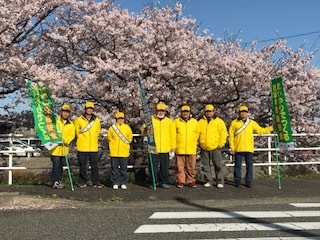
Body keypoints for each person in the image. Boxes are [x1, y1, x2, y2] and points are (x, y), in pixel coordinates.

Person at [229, 105, 273, 188]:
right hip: (238, 148)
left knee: (249, 166)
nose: (243, 114)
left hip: (249, 148)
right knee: (237, 166)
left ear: (247, 113)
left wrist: (271, 128)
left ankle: (248, 181)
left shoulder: (251, 123)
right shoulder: (234, 123)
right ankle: (237, 181)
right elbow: (231, 136)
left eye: (245, 112)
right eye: (242, 112)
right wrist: (232, 147)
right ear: (239, 113)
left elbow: (260, 131)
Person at [141, 102, 176, 189]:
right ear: (156, 111)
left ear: (165, 112)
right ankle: (153, 182)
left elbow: (173, 135)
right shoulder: (150, 120)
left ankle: (164, 182)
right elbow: (143, 132)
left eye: (162, 111)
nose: (160, 112)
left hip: (165, 147)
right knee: (153, 166)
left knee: (164, 166)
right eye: (159, 111)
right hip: (153, 147)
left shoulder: (169, 122)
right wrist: (145, 128)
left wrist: (173, 147)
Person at [74, 101, 104, 189]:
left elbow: (98, 131)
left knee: (95, 166)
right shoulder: (78, 120)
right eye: (88, 108)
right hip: (82, 146)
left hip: (93, 147)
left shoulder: (97, 120)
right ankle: (82, 181)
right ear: (85, 109)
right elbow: (76, 132)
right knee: (82, 166)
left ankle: (96, 182)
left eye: (91, 109)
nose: (89, 110)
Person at [198, 104, 228, 188]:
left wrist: (221, 143)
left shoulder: (219, 121)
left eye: (210, 111)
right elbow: (197, 133)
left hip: (215, 147)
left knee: (218, 165)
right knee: (205, 165)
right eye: (207, 111)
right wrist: (198, 142)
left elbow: (223, 133)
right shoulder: (201, 121)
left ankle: (220, 181)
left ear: (213, 112)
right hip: (204, 146)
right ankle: (209, 180)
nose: (208, 113)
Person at [49, 104, 75, 189]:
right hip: (55, 148)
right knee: (56, 165)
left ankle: (58, 180)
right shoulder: (55, 121)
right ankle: (55, 181)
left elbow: (72, 135)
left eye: (67, 112)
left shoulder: (71, 124)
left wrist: (65, 140)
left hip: (64, 148)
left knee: (61, 166)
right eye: (64, 111)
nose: (65, 114)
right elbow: (50, 131)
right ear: (61, 112)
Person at [174, 105, 200, 188]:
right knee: (180, 167)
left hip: (191, 148)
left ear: (190, 113)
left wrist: (194, 142)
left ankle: (191, 181)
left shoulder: (195, 122)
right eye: (184, 112)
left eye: (187, 112)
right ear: (181, 113)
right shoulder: (176, 122)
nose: (185, 113)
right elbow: (173, 134)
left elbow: (197, 133)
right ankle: (180, 181)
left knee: (191, 167)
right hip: (180, 147)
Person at [107, 112, 133, 190]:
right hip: (114, 151)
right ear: (116, 119)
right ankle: (115, 182)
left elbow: (130, 138)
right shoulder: (112, 128)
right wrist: (112, 144)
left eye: (122, 118)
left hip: (124, 151)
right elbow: (109, 138)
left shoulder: (127, 128)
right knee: (114, 168)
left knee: (123, 168)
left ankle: (123, 182)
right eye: (119, 119)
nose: (120, 120)